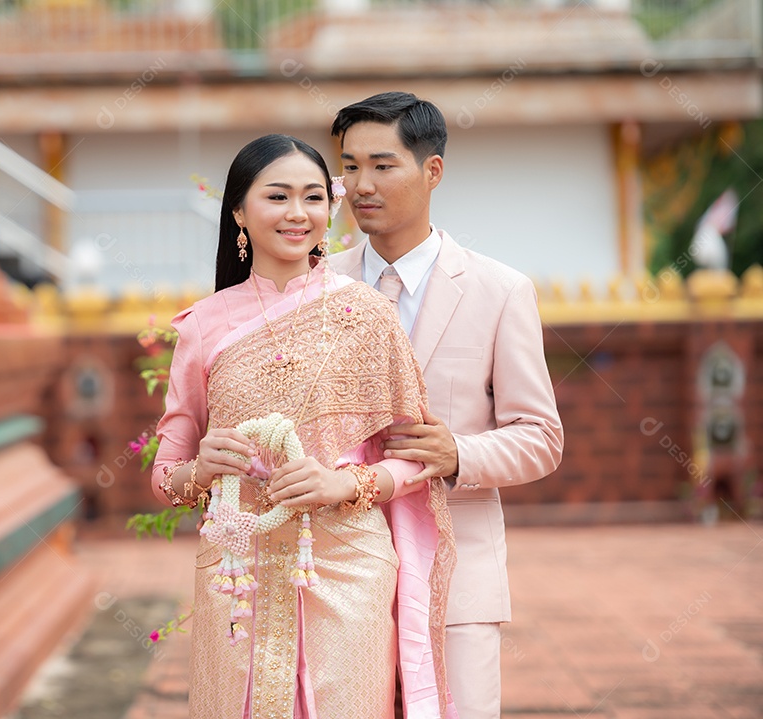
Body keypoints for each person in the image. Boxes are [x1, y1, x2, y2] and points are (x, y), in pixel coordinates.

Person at [152, 134, 457, 719]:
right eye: (278, 197)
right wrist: (201, 470)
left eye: (314, 197)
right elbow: (167, 476)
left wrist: (348, 484)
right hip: (239, 573)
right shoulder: (203, 326)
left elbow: (418, 453)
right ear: (239, 211)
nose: (298, 214)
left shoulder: (367, 314)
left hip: (348, 564)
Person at [329, 93, 565, 719]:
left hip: (458, 575)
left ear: (432, 171)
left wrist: (458, 453)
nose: (361, 185)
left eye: (382, 165)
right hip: (337, 572)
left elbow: (541, 435)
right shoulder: (315, 287)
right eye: (349, 167)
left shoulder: (500, 291)